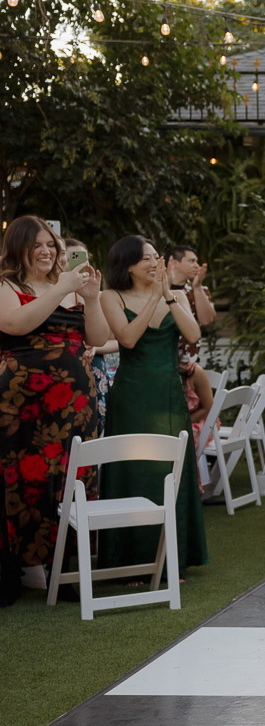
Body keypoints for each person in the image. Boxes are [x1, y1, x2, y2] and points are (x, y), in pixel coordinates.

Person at [0, 218, 108, 605]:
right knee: (22, 479)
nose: (46, 251)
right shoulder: (6, 286)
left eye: (51, 244)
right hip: (23, 403)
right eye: (36, 245)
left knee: (70, 478)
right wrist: (61, 288)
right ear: (19, 249)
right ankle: (17, 568)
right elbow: (15, 324)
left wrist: (91, 298)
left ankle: (62, 570)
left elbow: (98, 337)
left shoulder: (73, 289)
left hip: (76, 404)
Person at [97, 235, 208, 575]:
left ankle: (175, 558)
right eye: (145, 258)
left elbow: (193, 335)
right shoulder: (110, 296)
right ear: (127, 264)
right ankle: (132, 562)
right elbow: (127, 339)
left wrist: (168, 297)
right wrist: (153, 299)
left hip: (169, 395)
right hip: (132, 395)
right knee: (134, 472)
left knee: (170, 471)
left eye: (155, 256)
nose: (153, 262)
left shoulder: (176, 295)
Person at [63, 239, 117, 427]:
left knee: (93, 423)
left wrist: (96, 348)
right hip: (61, 368)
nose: (80, 263)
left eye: (84, 258)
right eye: (72, 257)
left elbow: (117, 340)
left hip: (93, 368)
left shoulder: (98, 296)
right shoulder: (53, 294)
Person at [165, 245, 214, 420]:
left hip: (188, 367)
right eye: (191, 261)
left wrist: (197, 287)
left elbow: (207, 320)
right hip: (160, 362)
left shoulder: (199, 289)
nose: (196, 265)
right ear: (173, 261)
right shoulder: (156, 290)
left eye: (197, 261)